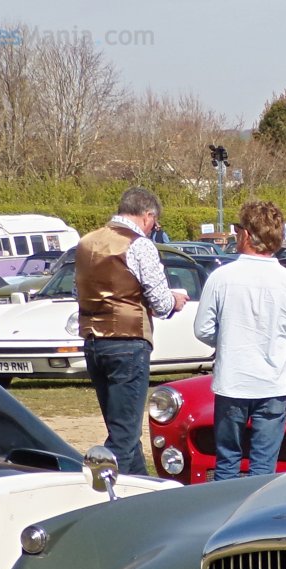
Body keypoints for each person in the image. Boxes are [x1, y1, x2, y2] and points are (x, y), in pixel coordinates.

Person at [192, 200, 286, 481]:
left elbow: (202, 329)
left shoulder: (221, 277)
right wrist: (277, 345)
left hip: (232, 381)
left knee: (227, 463)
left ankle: (224, 515)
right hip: (271, 383)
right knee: (263, 469)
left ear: (246, 234)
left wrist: (227, 341)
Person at [75, 186, 188, 475]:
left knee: (121, 427)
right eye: (155, 222)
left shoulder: (87, 242)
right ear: (148, 216)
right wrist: (175, 300)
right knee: (123, 437)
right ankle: (115, 495)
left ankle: (141, 487)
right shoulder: (138, 244)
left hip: (93, 341)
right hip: (128, 341)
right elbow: (161, 303)